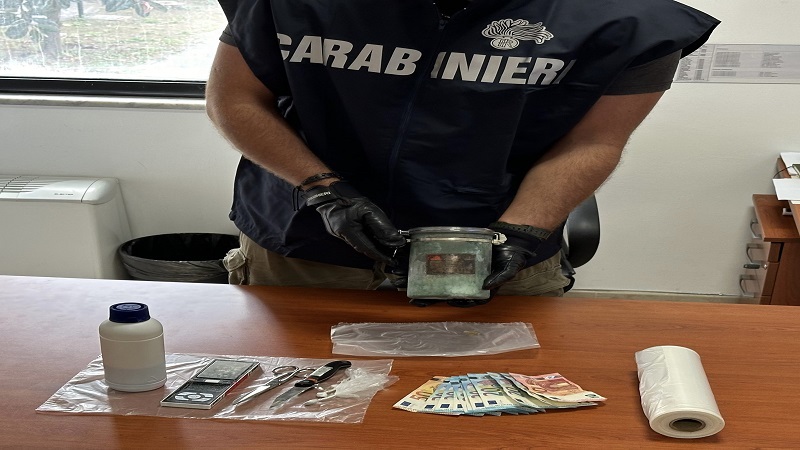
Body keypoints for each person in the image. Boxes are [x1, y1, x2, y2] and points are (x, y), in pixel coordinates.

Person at [206, 0, 719, 305]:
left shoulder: (633, 21)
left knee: (495, 409)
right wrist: (325, 191)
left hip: (495, 248)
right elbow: (235, 99)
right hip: (305, 241)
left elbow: (594, 141)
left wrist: (523, 231)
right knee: (292, 404)